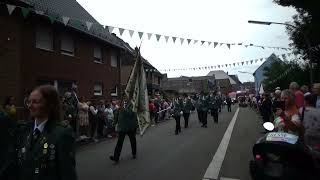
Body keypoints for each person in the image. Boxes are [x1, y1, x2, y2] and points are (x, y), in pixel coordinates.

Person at [17, 85, 77, 180]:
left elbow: (67, 173)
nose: (30, 106)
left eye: (36, 102)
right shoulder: (24, 130)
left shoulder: (61, 133)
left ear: (50, 105)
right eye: (29, 102)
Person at [110, 94, 138, 163]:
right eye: (123, 97)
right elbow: (117, 114)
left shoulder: (132, 104)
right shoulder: (121, 104)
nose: (124, 98)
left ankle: (134, 153)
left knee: (132, 140)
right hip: (122, 127)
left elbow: (131, 114)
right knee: (119, 142)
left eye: (126, 96)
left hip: (130, 127)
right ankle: (116, 157)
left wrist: (123, 109)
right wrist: (114, 122)